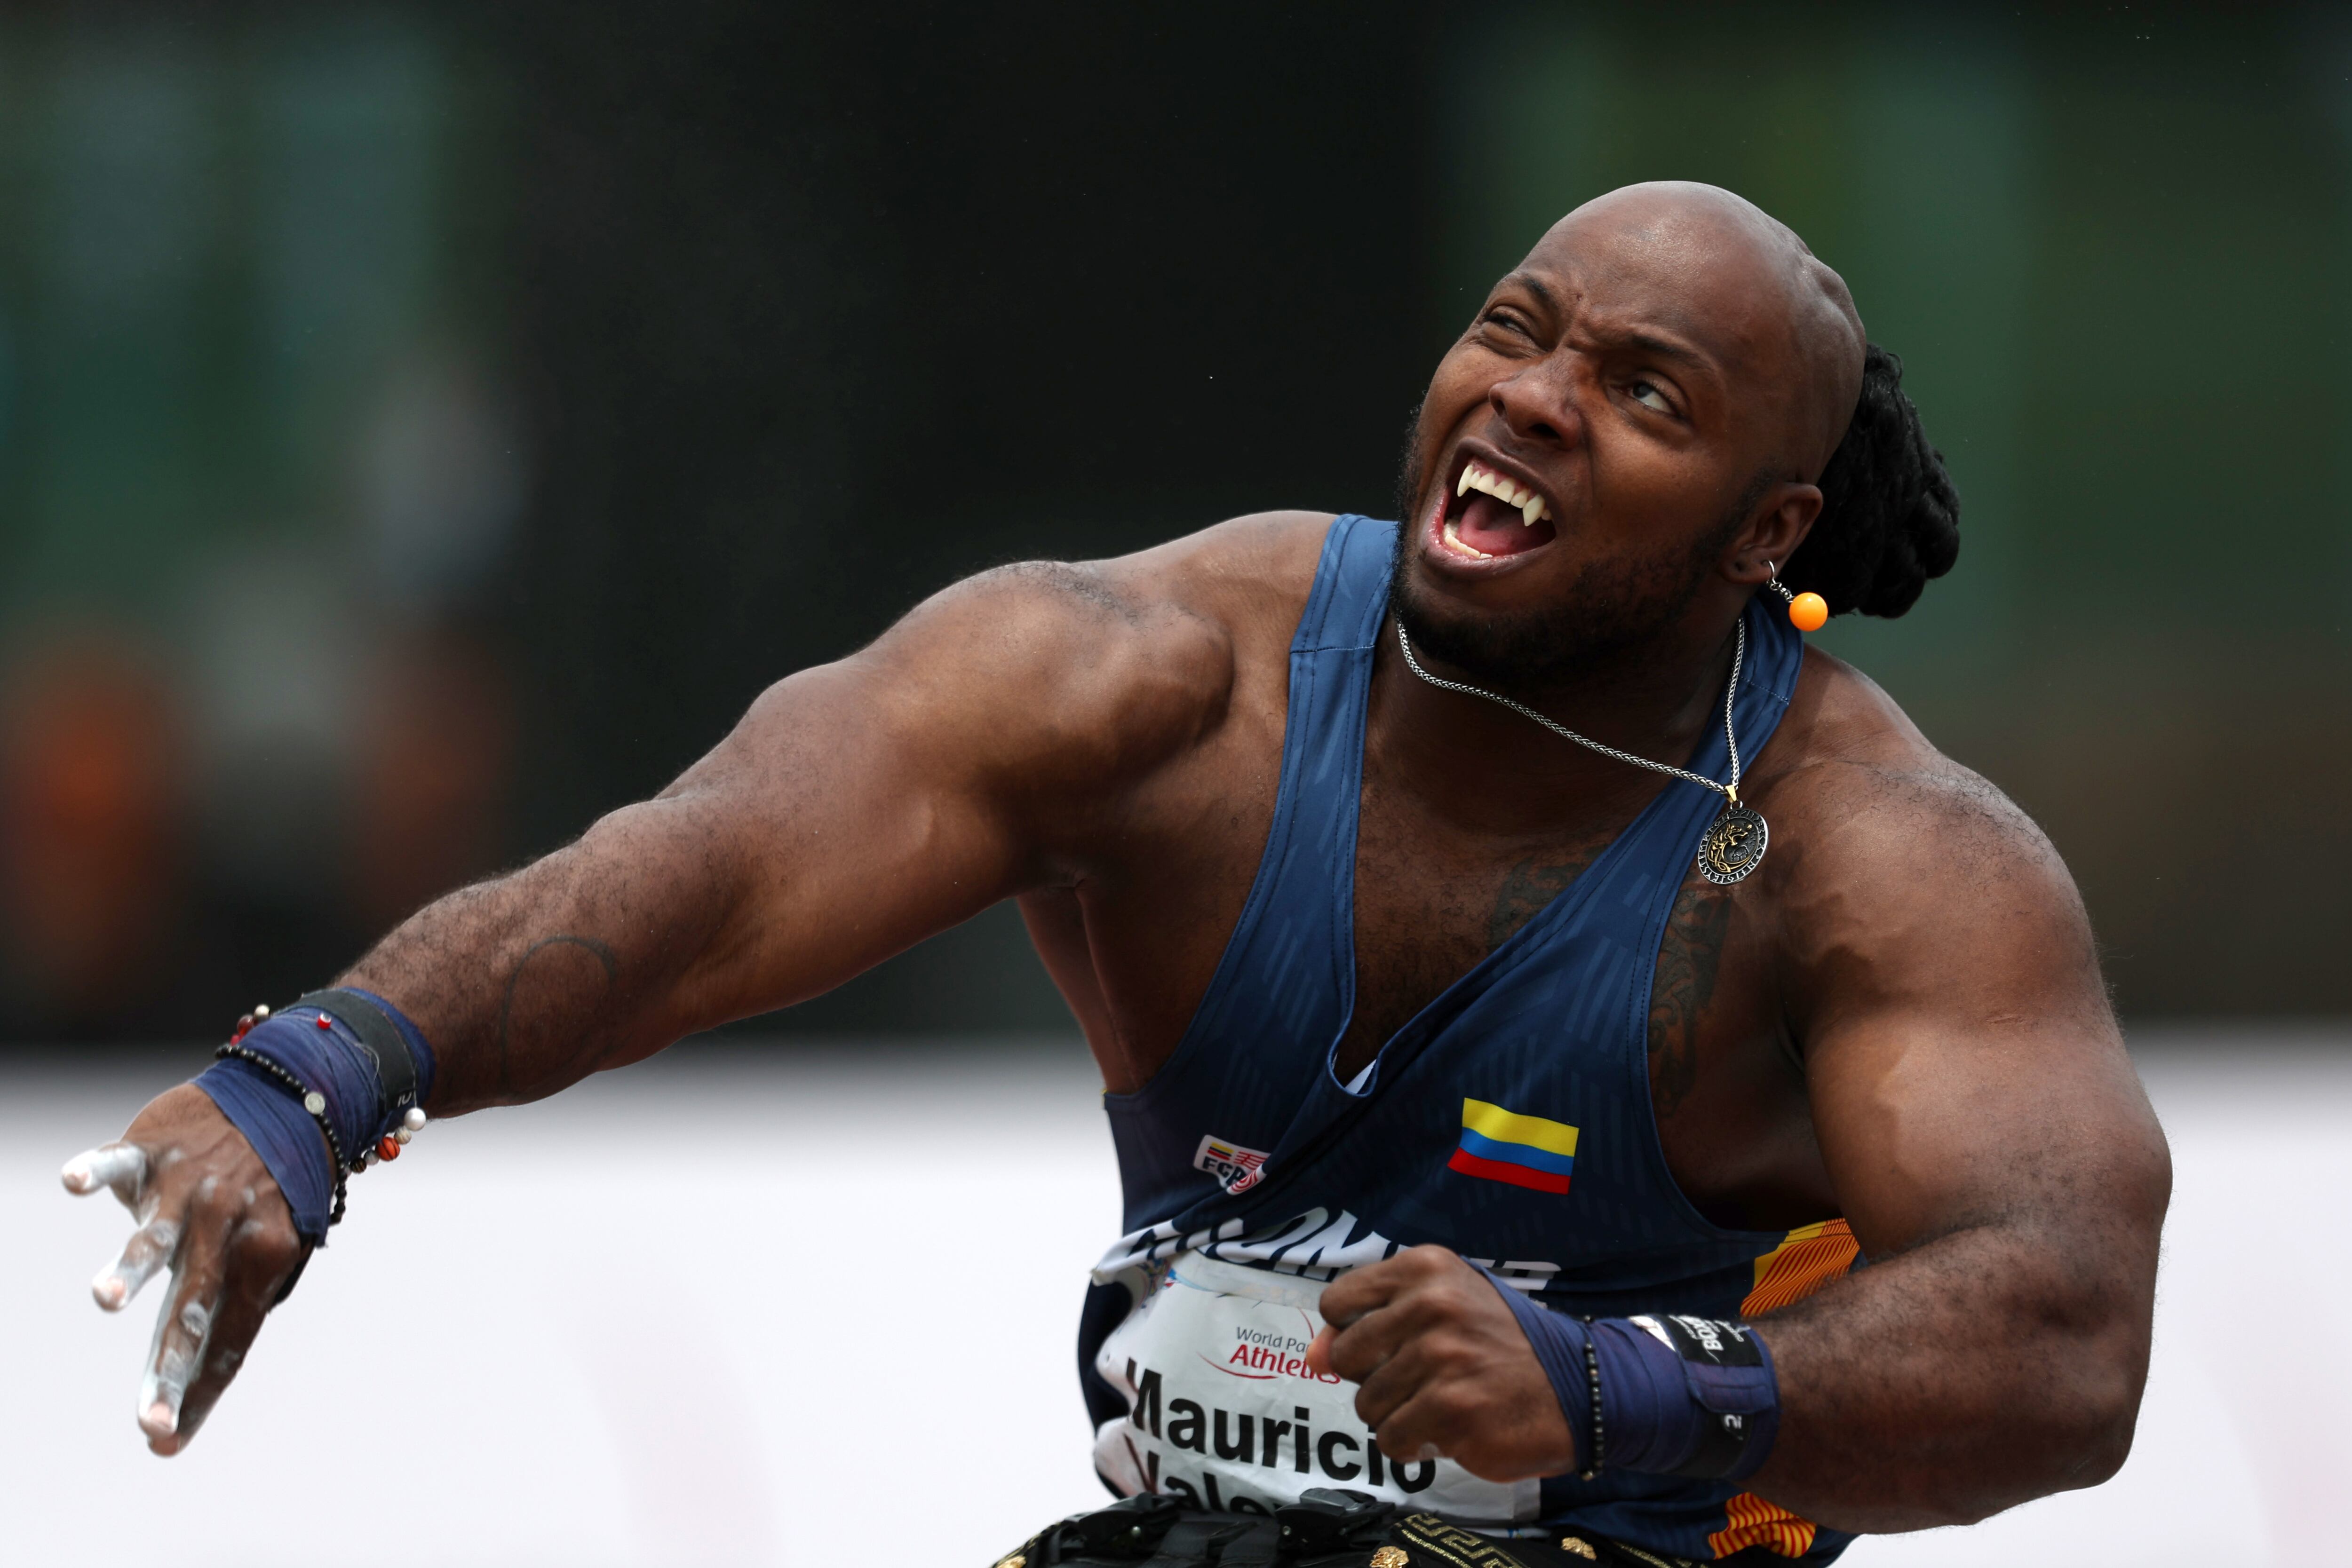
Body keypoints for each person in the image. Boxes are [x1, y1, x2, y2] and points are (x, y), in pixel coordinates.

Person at [62, 182, 2169, 1567]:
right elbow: (689, 880)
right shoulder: (1144, 680)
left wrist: (1611, 1392)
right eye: (1515, 332)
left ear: (1762, 534)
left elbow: (2062, 1341)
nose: (1527, 402)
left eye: (1639, 394)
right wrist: (320, 1075)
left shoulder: (1869, 864)